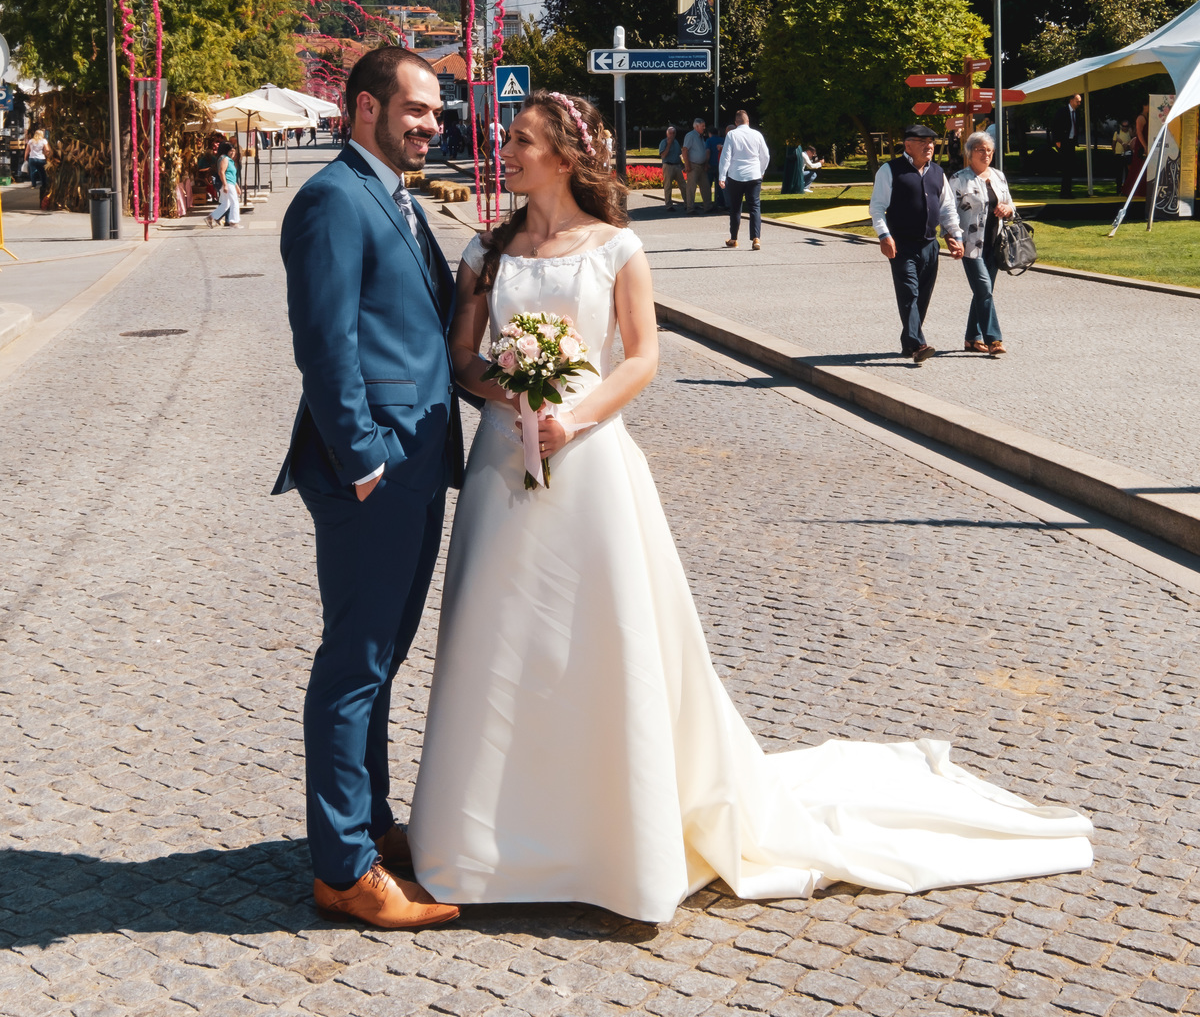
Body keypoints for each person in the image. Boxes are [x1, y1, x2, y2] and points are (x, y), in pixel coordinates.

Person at [405, 87, 1093, 922]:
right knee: (498, 636)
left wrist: (570, 417)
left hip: (588, 464)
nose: (503, 150)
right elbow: (462, 355)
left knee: (601, 636)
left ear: (564, 154)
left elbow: (642, 358)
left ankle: (615, 834)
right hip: (502, 464)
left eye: (518, 139)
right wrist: (510, 398)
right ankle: (487, 837)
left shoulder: (620, 247)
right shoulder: (488, 250)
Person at [275, 46, 463, 930]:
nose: (432, 122)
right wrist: (363, 460)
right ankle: (344, 870)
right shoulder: (331, 201)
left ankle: (370, 824)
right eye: (416, 109)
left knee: (381, 660)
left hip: (418, 467)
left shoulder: (396, 197)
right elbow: (326, 345)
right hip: (372, 475)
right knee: (352, 665)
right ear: (362, 109)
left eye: (435, 111)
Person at [869, 123, 964, 363]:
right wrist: (884, 235)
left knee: (922, 296)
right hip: (901, 244)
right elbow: (878, 208)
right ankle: (919, 345)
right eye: (923, 143)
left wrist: (954, 235)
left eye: (931, 142)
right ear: (908, 145)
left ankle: (907, 343)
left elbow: (947, 208)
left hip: (930, 244)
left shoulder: (937, 173)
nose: (929, 146)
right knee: (909, 294)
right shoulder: (890, 171)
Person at [950, 131, 1015, 357]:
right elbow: (948, 212)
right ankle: (994, 340)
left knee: (983, 291)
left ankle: (971, 338)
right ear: (970, 154)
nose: (986, 154)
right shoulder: (958, 179)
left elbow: (1010, 205)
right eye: (981, 150)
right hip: (970, 244)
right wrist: (952, 238)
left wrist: (1007, 209)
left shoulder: (998, 176)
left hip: (995, 243)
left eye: (989, 150)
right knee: (984, 289)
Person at [719, 108, 770, 249]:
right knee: (754, 206)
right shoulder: (757, 134)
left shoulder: (732, 135)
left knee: (735, 208)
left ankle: (734, 239)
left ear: (736, 122)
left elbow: (726, 157)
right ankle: (756, 238)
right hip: (754, 175)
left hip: (736, 175)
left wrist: (722, 176)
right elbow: (765, 155)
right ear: (748, 121)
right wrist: (761, 170)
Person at [1051, 92, 1083, 198]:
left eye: (1080, 102)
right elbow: (1055, 126)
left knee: (1070, 167)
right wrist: (1057, 141)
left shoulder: (1076, 113)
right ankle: (1064, 192)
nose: (1079, 103)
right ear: (1071, 100)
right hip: (1063, 142)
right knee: (1065, 167)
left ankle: (1067, 192)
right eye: (1077, 101)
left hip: (1071, 143)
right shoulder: (1062, 111)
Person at [204, 141, 241, 228]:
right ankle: (234, 221)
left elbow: (231, 174)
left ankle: (211, 217)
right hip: (227, 183)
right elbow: (222, 172)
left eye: (234, 151)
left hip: (230, 183)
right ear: (226, 150)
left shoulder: (228, 159)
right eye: (231, 151)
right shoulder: (225, 159)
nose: (233, 153)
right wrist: (225, 185)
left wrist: (236, 186)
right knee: (234, 202)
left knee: (226, 203)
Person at [681, 117, 712, 214]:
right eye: (702, 126)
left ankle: (708, 207)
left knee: (706, 186)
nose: (704, 128)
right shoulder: (690, 136)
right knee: (691, 188)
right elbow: (685, 150)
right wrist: (687, 165)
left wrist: (706, 163)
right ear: (697, 126)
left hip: (702, 166)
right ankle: (690, 208)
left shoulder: (701, 136)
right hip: (693, 165)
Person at [658, 125, 684, 212]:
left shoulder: (676, 142)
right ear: (667, 134)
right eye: (670, 133)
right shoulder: (664, 142)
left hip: (677, 166)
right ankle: (669, 205)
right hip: (668, 165)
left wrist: (682, 166)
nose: (672, 135)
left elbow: (679, 155)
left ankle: (688, 203)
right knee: (668, 186)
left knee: (683, 185)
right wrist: (668, 144)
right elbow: (663, 155)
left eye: (673, 133)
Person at [707, 123, 726, 209]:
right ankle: (721, 202)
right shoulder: (722, 140)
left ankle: (708, 203)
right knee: (720, 185)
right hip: (720, 165)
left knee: (708, 184)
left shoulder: (709, 140)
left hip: (711, 165)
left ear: (710, 133)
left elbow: (708, 152)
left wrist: (706, 163)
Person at [24, 127, 49, 195]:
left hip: (32, 158)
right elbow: (47, 150)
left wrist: (25, 157)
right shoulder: (44, 141)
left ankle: (33, 185)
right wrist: (47, 156)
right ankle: (44, 184)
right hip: (41, 158)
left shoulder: (31, 141)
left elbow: (27, 150)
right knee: (42, 172)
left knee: (32, 171)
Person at [1112, 118, 1133, 190]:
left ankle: (1126, 189)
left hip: (1127, 154)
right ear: (1121, 126)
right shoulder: (1117, 133)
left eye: (1126, 126)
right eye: (1123, 126)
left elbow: (1132, 143)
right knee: (1119, 173)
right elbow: (1113, 143)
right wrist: (1114, 152)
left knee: (1128, 172)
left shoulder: (1130, 133)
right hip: (1118, 154)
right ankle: (1118, 189)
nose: (1125, 128)